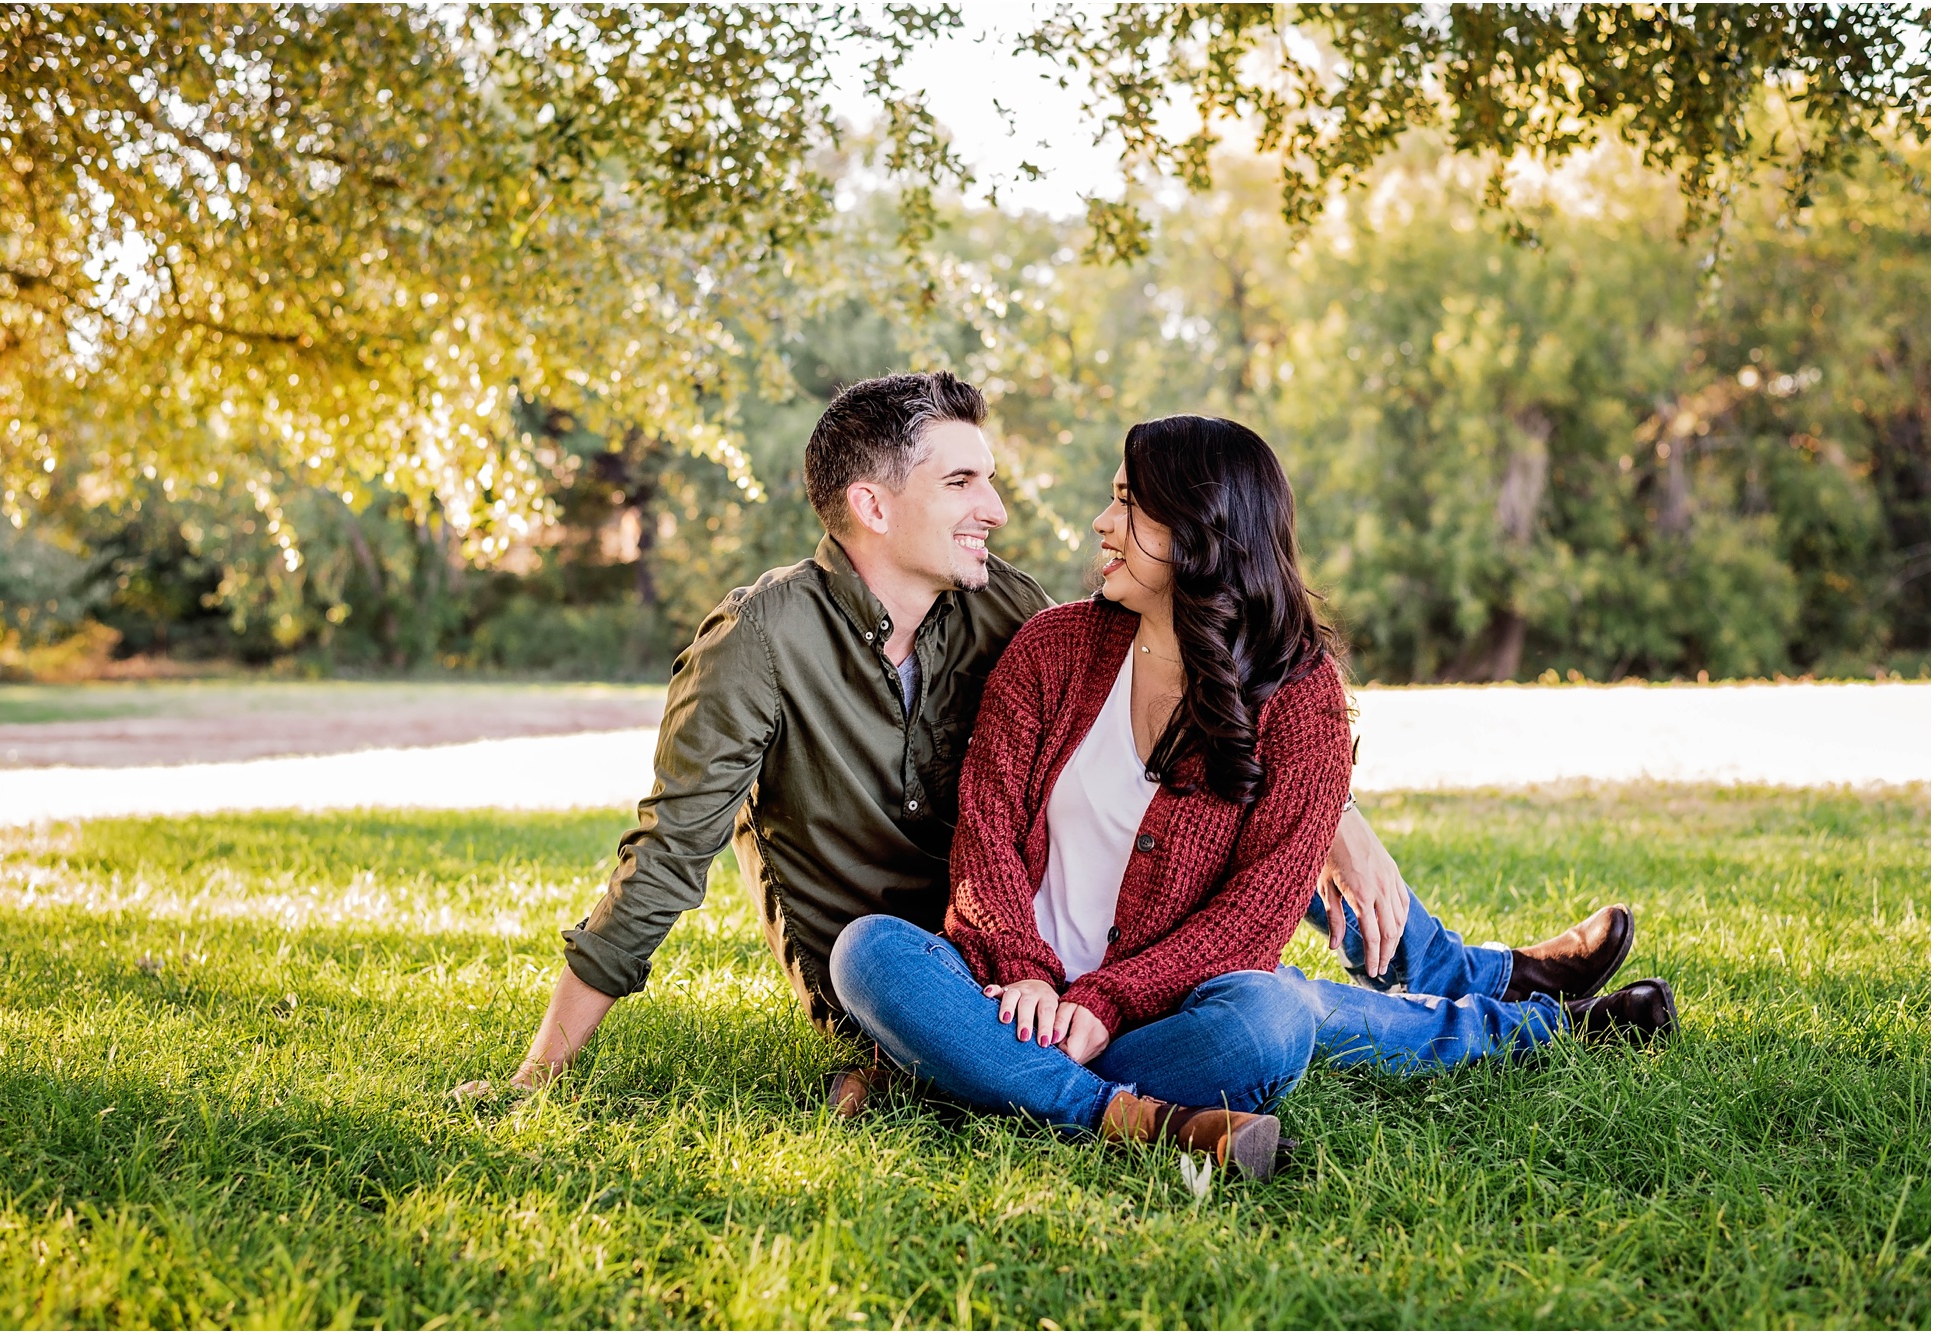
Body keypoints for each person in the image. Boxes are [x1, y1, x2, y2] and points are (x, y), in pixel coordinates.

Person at [455, 373, 1657, 1105]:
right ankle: (1135, 1099)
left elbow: (1215, 754)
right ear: (875, 507)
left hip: (1108, 954)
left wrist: (1333, 813)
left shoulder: (1005, 603)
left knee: (1237, 901)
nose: (999, 507)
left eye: (995, 480)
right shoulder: (766, 641)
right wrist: (536, 1073)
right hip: (949, 969)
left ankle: (1490, 981)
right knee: (1270, 998)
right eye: (966, 481)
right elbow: (668, 856)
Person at [829, 416, 1677, 1179]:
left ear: (1201, 533)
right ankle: (1122, 1114)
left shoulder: (1298, 699)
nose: (1101, 523)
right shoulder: (1053, 649)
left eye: (1129, 505)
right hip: (1011, 1001)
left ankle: (957, 1075)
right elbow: (986, 836)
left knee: (1270, 1015)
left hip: (1159, 1017)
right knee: (867, 953)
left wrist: (1104, 1001)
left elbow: (1250, 925)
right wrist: (1027, 975)